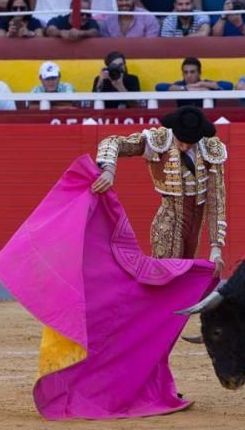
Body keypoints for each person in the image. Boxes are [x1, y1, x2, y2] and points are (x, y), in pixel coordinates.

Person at [92, 105, 228, 291]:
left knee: (180, 286)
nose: (185, 146)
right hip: (168, 221)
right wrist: (108, 170)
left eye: (191, 142)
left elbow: (216, 199)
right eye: (182, 140)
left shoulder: (211, 149)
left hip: (195, 227)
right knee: (165, 284)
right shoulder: (158, 140)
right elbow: (112, 142)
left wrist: (216, 247)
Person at [157, 57, 234, 95]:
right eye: (185, 72)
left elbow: (229, 86)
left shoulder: (207, 84)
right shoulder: (180, 85)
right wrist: (185, 88)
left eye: (192, 72)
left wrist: (202, 84)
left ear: (199, 73)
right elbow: (159, 87)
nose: (189, 75)